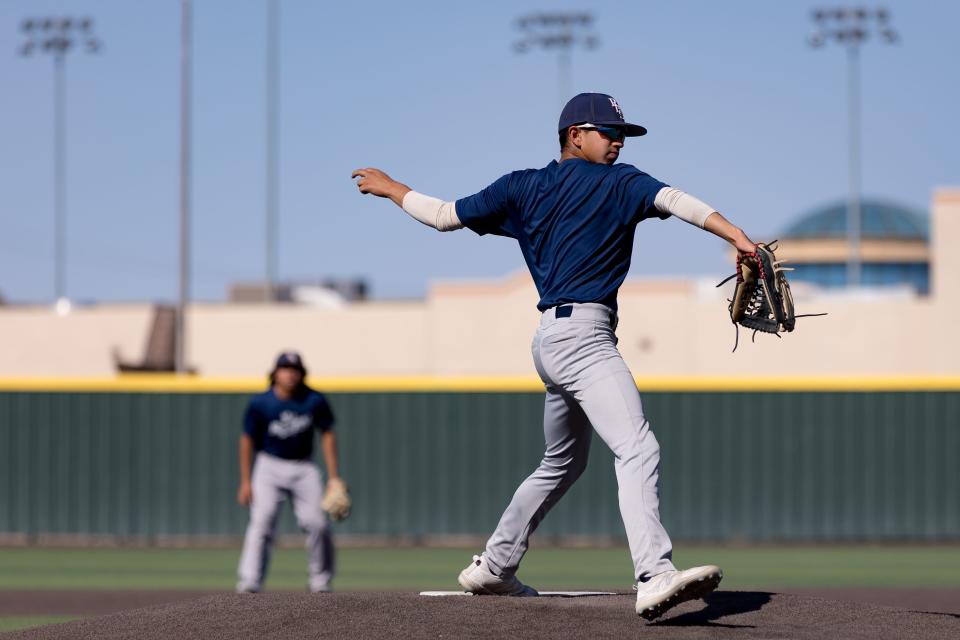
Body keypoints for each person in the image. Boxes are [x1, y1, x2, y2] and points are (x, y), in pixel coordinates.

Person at [352, 92, 758, 620]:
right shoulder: (620, 181)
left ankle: (495, 566)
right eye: (608, 132)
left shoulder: (524, 187)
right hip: (585, 339)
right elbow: (680, 202)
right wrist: (740, 238)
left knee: (563, 461)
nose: (616, 141)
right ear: (575, 134)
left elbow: (444, 216)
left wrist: (392, 189)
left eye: (621, 135)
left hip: (550, 341)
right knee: (637, 448)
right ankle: (655, 574)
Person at [236, 351, 340, 593]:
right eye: (285, 369)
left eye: (295, 370)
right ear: (275, 374)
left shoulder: (314, 400)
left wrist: (334, 477)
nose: (290, 374)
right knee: (261, 522)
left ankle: (320, 582)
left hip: (304, 467)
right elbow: (246, 440)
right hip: (268, 466)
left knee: (318, 523)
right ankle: (249, 582)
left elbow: (327, 434)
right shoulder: (261, 403)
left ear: (302, 374)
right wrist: (245, 481)